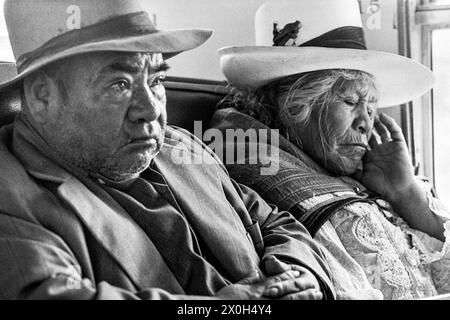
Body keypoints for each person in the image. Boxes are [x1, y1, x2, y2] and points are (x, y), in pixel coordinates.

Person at [0, 0, 335, 300]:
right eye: (119, 85)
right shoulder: (10, 193)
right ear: (42, 97)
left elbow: (274, 221)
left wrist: (299, 274)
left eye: (156, 80)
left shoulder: (182, 145)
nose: (151, 109)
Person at [210, 0, 450, 300]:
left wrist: (405, 194)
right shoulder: (264, 172)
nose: (367, 123)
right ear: (295, 105)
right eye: (350, 102)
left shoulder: (362, 177)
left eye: (371, 107)